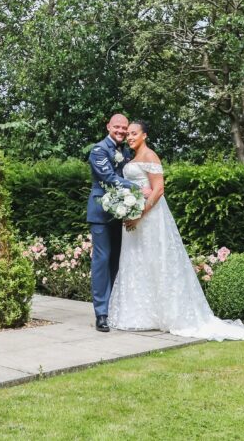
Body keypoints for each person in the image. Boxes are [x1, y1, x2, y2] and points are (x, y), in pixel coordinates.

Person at [107, 120, 244, 340]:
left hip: (149, 218)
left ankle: (168, 314)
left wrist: (139, 215)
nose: (129, 137)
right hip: (133, 217)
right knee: (137, 260)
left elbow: (158, 190)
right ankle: (141, 315)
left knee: (157, 261)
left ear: (144, 135)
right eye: (128, 134)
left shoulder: (150, 156)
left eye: (134, 133)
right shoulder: (132, 158)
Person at [87, 113, 151, 333]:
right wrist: (137, 189)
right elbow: (109, 178)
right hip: (101, 214)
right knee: (102, 260)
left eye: (124, 128)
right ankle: (101, 314)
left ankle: (113, 308)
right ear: (108, 127)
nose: (121, 131)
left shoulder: (125, 151)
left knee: (117, 260)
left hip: (120, 213)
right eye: (117, 127)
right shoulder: (98, 150)